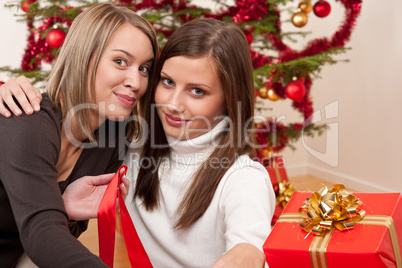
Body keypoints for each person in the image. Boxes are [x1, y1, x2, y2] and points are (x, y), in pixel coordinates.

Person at [1, 18, 275, 268]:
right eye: (167, 82)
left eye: (197, 91)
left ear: (229, 100)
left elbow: (248, 246)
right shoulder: (127, 151)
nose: (172, 103)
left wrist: (248, 252)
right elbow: (45, 233)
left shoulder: (243, 177)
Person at [0, 2, 158, 267]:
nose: (137, 82)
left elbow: (59, 236)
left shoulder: (112, 140)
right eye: (121, 62)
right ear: (83, 57)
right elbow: (43, 235)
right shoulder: (28, 120)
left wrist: (64, 208)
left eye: (144, 68)